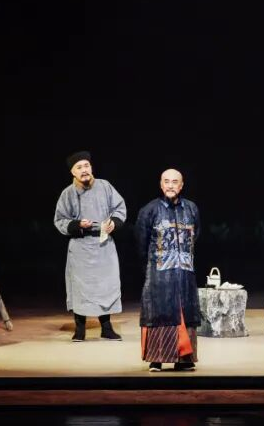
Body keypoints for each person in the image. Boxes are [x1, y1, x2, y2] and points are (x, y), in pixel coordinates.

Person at [53, 151, 126, 341]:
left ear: (91, 167)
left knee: (105, 285)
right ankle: (80, 329)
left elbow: (119, 208)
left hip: (103, 244)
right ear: (73, 172)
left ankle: (106, 328)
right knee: (80, 288)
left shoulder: (105, 186)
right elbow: (60, 220)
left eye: (86, 166)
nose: (84, 170)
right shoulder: (68, 193)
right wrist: (77, 224)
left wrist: (114, 222)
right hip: (80, 246)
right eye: (79, 167)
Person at [135, 168, 202, 372]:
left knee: (185, 313)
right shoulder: (150, 210)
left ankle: (184, 359)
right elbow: (140, 243)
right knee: (159, 313)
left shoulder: (191, 208)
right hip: (159, 274)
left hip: (185, 272)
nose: (170, 185)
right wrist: (150, 268)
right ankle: (156, 358)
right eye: (166, 181)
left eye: (174, 182)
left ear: (181, 186)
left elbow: (196, 235)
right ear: (161, 184)